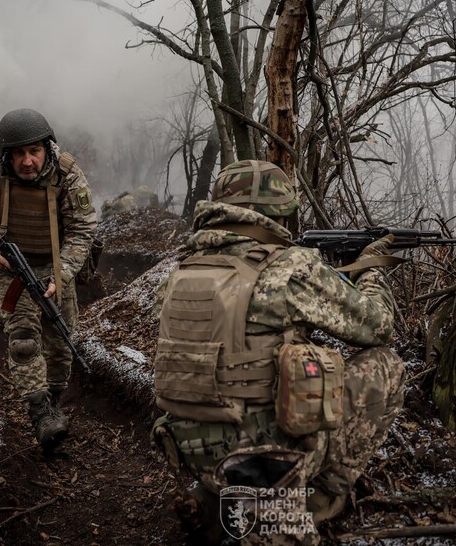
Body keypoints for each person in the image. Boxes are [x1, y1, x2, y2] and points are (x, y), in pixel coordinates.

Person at [151, 160, 404, 545]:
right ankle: (309, 504)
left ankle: (212, 499)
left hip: (188, 450)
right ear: (279, 212)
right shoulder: (288, 268)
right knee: (386, 365)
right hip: (266, 462)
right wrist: (371, 270)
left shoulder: (179, 271)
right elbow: (378, 326)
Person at [0, 108, 98, 449]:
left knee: (60, 344)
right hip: (10, 269)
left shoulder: (68, 174)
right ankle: (39, 412)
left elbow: (83, 228)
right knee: (24, 341)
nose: (27, 161)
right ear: (5, 154)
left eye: (34, 151)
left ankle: (54, 401)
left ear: (47, 147)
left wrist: (63, 272)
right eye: (18, 154)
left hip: (57, 267)